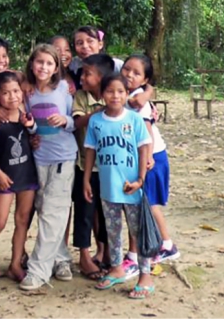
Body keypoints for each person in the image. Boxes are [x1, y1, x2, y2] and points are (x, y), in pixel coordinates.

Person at [83, 74, 155, 299]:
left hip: (132, 187)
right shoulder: (96, 121)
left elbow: (144, 148)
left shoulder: (134, 119)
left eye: (121, 91)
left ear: (127, 94)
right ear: (102, 94)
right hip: (108, 188)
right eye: (110, 91)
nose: (115, 96)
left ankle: (145, 275)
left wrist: (140, 179)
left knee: (137, 230)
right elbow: (90, 151)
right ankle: (116, 267)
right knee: (112, 231)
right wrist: (86, 179)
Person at [18, 44, 78, 291]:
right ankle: (61, 259)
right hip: (38, 157)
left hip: (63, 157)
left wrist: (65, 120)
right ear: (32, 64)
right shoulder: (27, 92)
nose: (43, 67)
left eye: (49, 64)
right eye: (39, 62)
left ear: (57, 68)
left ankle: (38, 271)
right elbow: (31, 127)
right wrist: (31, 127)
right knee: (46, 210)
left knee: (54, 211)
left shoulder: (64, 88)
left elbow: (74, 119)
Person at [0, 71, 39, 287]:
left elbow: (32, 137)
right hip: (5, 178)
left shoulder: (24, 113)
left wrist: (33, 134)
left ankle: (15, 264)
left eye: (15, 91)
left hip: (27, 174)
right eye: (5, 93)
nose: (12, 96)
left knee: (23, 220)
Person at [121, 55, 179, 273]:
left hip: (150, 157)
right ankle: (160, 245)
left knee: (148, 204)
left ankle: (164, 245)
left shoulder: (140, 101)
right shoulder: (128, 95)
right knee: (146, 203)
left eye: (136, 73)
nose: (129, 74)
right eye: (127, 69)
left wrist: (147, 159)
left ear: (145, 80)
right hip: (144, 156)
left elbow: (146, 131)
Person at [71, 54, 114, 280]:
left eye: (88, 73)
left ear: (102, 77)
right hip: (84, 166)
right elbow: (77, 122)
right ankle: (84, 256)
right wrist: (96, 113)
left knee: (107, 213)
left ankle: (106, 253)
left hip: (109, 168)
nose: (83, 77)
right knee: (84, 212)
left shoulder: (114, 98)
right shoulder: (80, 97)